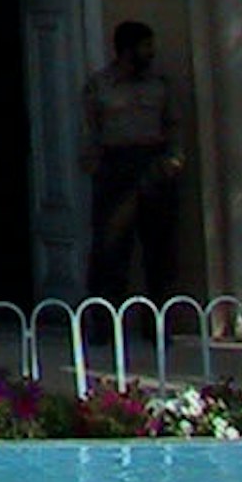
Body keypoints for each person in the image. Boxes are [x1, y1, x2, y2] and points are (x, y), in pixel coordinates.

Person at [82, 19, 187, 299]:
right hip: (115, 165)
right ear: (127, 49)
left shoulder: (160, 84)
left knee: (160, 247)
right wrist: (93, 162)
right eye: (145, 46)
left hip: (153, 164)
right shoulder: (100, 85)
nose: (151, 52)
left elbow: (173, 124)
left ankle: (157, 322)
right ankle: (105, 323)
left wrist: (174, 158)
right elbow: (90, 127)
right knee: (111, 247)